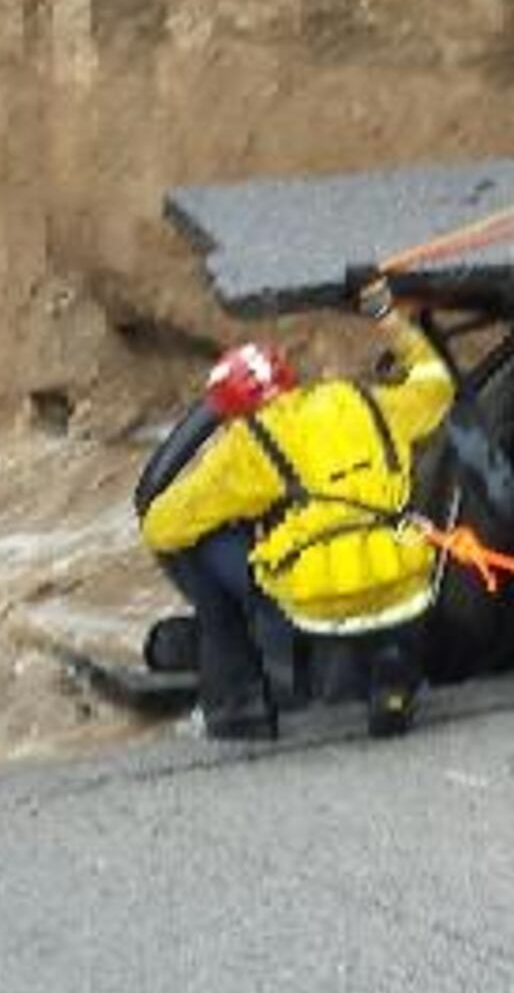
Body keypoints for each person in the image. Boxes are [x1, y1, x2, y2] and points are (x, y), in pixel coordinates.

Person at [136, 276, 457, 742]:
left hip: (315, 603)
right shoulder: (362, 401)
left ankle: (239, 701)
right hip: (402, 582)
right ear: (290, 379)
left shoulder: (249, 445)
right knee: (387, 548)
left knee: (201, 552)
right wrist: (388, 318)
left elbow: (161, 527)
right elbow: (435, 385)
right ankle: (393, 669)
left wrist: (215, 462)